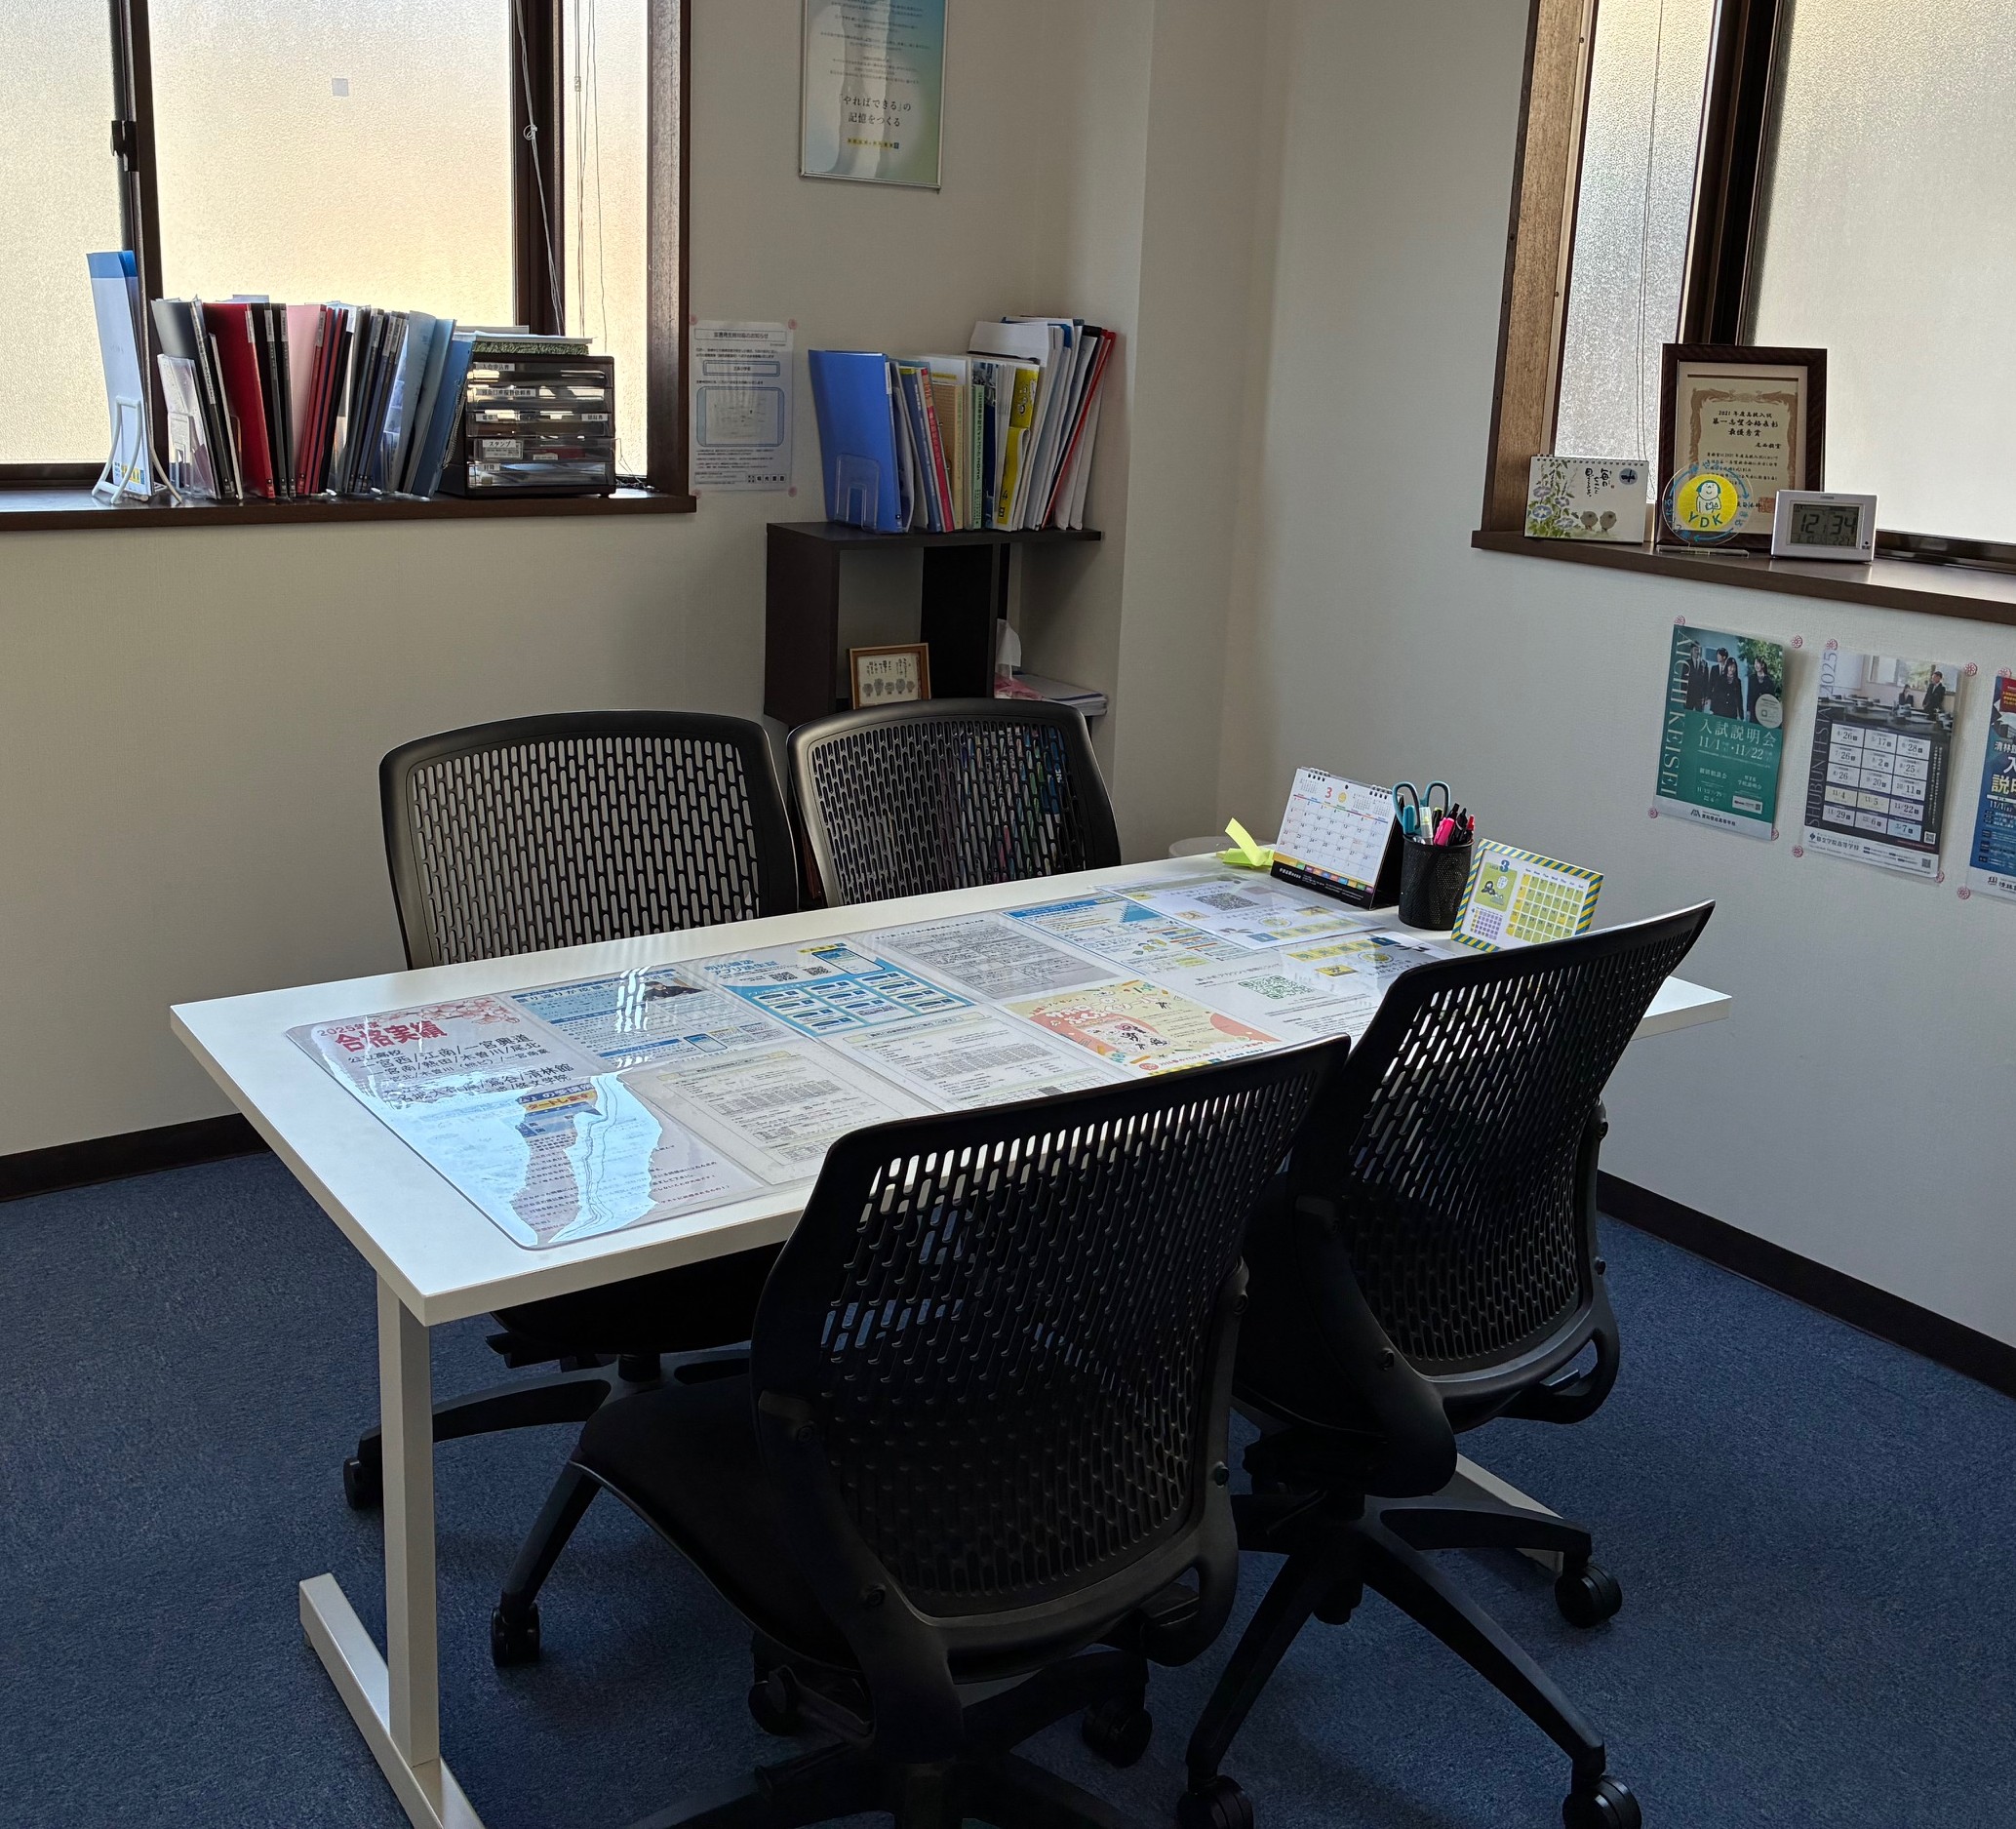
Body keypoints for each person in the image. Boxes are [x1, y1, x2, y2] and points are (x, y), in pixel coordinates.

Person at [1709, 650, 1744, 720]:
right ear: (1727, 667)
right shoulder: (1720, 678)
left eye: (1734, 667)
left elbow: (1739, 698)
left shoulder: (1738, 682)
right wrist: (1712, 709)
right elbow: (1715, 694)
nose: (1732, 669)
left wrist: (1741, 715)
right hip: (1719, 710)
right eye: (1730, 666)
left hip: (1731, 712)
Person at [1746, 656, 1776, 722]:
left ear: (1762, 665)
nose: (1756, 665)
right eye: (1755, 663)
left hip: (1764, 711)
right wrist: (1748, 710)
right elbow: (1749, 695)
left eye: (1758, 663)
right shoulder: (1751, 679)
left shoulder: (1769, 681)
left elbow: (1771, 697)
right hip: (1753, 710)